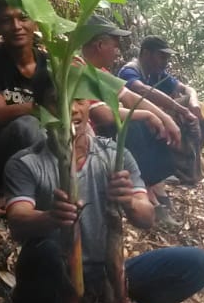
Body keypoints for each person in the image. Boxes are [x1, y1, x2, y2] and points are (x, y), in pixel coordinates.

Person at [3, 95, 204, 303]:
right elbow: (17, 222)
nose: (72, 108)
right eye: (59, 98)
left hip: (104, 276)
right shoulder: (26, 162)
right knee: (44, 253)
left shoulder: (115, 155)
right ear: (43, 109)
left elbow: (146, 217)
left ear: (89, 105)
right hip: (55, 275)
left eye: (78, 98)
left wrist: (129, 202)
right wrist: (51, 217)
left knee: (196, 264)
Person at [80, 16, 190, 205]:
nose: (117, 52)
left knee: (153, 123)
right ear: (99, 45)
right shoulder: (78, 69)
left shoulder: (101, 72)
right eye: (114, 46)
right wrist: (148, 115)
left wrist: (164, 117)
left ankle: (155, 182)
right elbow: (102, 114)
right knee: (135, 125)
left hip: (104, 137)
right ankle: (146, 187)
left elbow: (129, 97)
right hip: (90, 139)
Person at [0, 0, 49, 191]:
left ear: (35, 22)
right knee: (27, 125)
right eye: (7, 20)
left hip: (44, 153)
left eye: (23, 18)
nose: (16, 27)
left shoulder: (49, 64)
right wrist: (42, 106)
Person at [118, 35, 204, 146]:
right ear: (146, 54)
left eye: (167, 58)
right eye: (162, 57)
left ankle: (191, 150)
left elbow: (186, 88)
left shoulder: (157, 73)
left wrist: (194, 103)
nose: (165, 62)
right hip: (134, 127)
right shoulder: (129, 71)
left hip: (154, 122)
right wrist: (182, 110)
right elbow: (142, 90)